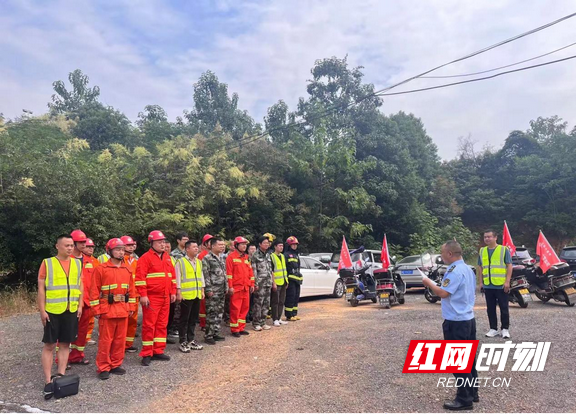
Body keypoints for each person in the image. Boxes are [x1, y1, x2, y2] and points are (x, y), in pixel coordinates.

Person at [422, 241, 479, 411]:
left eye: (442, 252)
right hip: (468, 319)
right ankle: (472, 392)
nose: (442, 256)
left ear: (449, 254)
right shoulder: (468, 269)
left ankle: (464, 399)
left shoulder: (453, 271)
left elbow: (443, 293)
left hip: (456, 321)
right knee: (469, 360)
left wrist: (428, 283)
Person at [38, 234, 83, 400]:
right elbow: (41, 289)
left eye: (72, 245)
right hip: (52, 311)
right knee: (49, 345)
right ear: (57, 246)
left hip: (70, 309)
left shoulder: (77, 263)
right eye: (67, 245)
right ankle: (48, 380)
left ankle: (61, 375)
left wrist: (80, 305)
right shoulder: (47, 263)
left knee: (65, 343)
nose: (70, 248)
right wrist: (42, 310)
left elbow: (80, 284)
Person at [89, 238, 137, 380]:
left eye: (122, 249)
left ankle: (116, 364)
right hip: (107, 310)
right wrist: (96, 310)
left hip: (122, 309)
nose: (121, 252)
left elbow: (132, 291)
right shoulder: (101, 269)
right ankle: (103, 367)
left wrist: (131, 307)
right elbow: (93, 291)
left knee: (120, 340)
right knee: (105, 340)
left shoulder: (127, 269)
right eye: (117, 249)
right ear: (109, 251)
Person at [135, 230, 176, 366]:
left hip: (165, 296)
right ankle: (147, 353)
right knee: (149, 325)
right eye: (159, 242)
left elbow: (172, 277)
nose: (162, 244)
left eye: (163, 242)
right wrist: (143, 295)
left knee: (162, 325)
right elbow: (140, 279)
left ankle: (158, 350)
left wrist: (173, 292)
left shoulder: (167, 257)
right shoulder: (145, 258)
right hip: (152, 297)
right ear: (151, 243)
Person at [477, 229, 513, 339]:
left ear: (495, 237)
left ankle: (505, 329)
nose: (487, 239)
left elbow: (509, 265)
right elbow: (480, 266)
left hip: (501, 284)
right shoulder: (482, 251)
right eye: (485, 237)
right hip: (488, 285)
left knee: (504, 307)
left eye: (489, 237)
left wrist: (507, 281)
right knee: (490, 308)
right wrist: (481, 282)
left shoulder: (503, 250)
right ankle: (493, 329)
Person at [68, 229, 93, 365]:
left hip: (87, 301)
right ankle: (62, 359)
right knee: (67, 332)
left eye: (84, 242)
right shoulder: (67, 260)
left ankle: (77, 356)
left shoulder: (89, 260)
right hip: (72, 302)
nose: (83, 244)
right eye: (80, 242)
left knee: (82, 331)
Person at [174, 240, 204, 352]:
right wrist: (178, 292)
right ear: (187, 249)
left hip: (196, 294)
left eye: (197, 247)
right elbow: (177, 277)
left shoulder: (199, 262)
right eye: (194, 247)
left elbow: (201, 277)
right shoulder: (180, 262)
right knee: (184, 319)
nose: (197, 248)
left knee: (193, 319)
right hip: (186, 295)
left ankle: (191, 340)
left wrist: (202, 289)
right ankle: (183, 341)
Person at [226, 236, 254, 337]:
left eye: (245, 244)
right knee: (235, 309)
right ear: (236, 245)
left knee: (244, 309)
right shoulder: (231, 257)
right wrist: (230, 286)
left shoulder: (246, 257)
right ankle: (234, 329)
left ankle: (241, 327)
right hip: (236, 288)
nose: (244, 246)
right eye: (242, 244)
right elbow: (229, 274)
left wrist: (252, 284)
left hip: (246, 288)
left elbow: (250, 272)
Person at [202, 237, 227, 345]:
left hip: (221, 289)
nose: (222, 246)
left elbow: (224, 273)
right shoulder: (207, 258)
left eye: (223, 245)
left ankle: (215, 332)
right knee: (211, 313)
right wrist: (208, 289)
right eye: (220, 245)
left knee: (219, 312)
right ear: (212, 246)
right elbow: (205, 274)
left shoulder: (221, 257)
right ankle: (208, 335)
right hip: (213, 290)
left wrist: (226, 286)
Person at [251, 236, 274, 331]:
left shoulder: (268, 255)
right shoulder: (255, 255)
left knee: (266, 303)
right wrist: (255, 283)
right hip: (259, 284)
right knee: (258, 303)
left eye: (267, 243)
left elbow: (270, 269)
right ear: (260, 244)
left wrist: (272, 281)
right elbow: (253, 270)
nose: (266, 244)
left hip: (268, 283)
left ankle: (263, 322)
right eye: (264, 243)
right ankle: (256, 323)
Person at [121, 235, 140, 353]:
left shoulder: (135, 260)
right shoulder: (119, 260)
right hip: (124, 296)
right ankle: (119, 344)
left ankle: (128, 344)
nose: (131, 247)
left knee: (133, 321)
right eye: (128, 245)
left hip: (135, 295)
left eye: (132, 244)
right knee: (123, 322)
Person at [270, 240, 289, 327]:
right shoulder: (272, 256)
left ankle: (279, 317)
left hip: (283, 282)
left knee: (282, 301)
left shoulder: (282, 256)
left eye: (282, 246)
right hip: (276, 283)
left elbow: (284, 269)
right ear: (275, 247)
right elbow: (272, 271)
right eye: (279, 246)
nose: (281, 247)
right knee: (275, 301)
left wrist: (286, 281)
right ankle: (275, 319)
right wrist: (273, 283)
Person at [84, 238, 99, 345]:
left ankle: (87, 337)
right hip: (83, 293)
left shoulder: (96, 261)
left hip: (93, 294)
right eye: (88, 247)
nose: (90, 249)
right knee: (79, 319)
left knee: (91, 317)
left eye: (92, 247)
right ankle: (74, 338)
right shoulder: (78, 260)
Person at [197, 234, 214, 330]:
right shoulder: (202, 255)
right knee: (203, 306)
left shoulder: (214, 254)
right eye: (210, 242)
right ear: (205, 243)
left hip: (214, 284)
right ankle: (203, 324)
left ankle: (210, 323)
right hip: (204, 283)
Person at [284, 236, 302, 321]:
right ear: (289, 245)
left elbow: (298, 267)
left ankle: (294, 314)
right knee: (290, 297)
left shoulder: (296, 255)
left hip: (297, 280)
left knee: (296, 297)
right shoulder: (286, 255)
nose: (295, 246)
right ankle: (289, 315)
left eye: (295, 244)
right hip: (290, 280)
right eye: (293, 244)